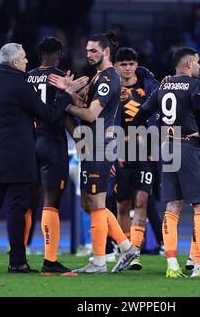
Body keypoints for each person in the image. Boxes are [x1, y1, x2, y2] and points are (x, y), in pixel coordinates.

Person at [0, 43, 87, 273]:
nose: (27, 62)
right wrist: (66, 93)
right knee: (17, 209)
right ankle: (17, 262)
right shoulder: (21, 86)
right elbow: (49, 114)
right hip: (20, 157)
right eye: (24, 58)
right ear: (15, 62)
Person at [133, 47, 200, 279]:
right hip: (188, 146)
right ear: (188, 64)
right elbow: (199, 106)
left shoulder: (163, 86)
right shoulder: (194, 85)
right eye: (197, 62)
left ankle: (172, 265)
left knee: (172, 206)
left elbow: (140, 115)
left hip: (167, 147)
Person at [49, 31, 140, 274]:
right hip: (93, 144)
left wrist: (65, 105)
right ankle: (126, 246)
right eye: (87, 50)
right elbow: (85, 107)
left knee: (96, 203)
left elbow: (90, 114)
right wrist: (70, 90)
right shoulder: (98, 76)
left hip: (99, 144)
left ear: (106, 51)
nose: (88, 54)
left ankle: (100, 260)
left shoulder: (109, 78)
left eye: (93, 51)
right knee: (89, 204)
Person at [26, 36, 77, 275]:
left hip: (29, 143)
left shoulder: (26, 76)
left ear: (39, 55)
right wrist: (78, 136)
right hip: (52, 142)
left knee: (27, 201)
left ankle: (18, 257)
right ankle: (50, 260)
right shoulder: (59, 77)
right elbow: (63, 112)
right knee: (51, 201)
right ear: (59, 53)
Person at [113, 47, 160, 270]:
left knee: (142, 201)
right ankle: (125, 250)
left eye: (131, 63)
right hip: (120, 153)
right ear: (115, 66)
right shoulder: (109, 89)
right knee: (122, 205)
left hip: (144, 152)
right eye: (123, 64)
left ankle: (136, 252)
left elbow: (159, 116)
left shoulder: (148, 86)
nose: (128, 68)